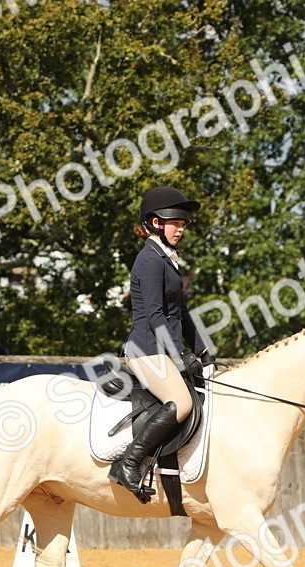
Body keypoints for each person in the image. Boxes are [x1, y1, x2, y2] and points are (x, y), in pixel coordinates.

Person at [108, 186, 214, 500]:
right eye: (176, 223)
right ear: (156, 223)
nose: (181, 229)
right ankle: (128, 463)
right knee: (181, 403)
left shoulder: (166, 260)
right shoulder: (149, 260)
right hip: (145, 350)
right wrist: (180, 353)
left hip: (160, 350)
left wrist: (203, 349)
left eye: (183, 224)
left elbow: (181, 312)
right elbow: (155, 315)